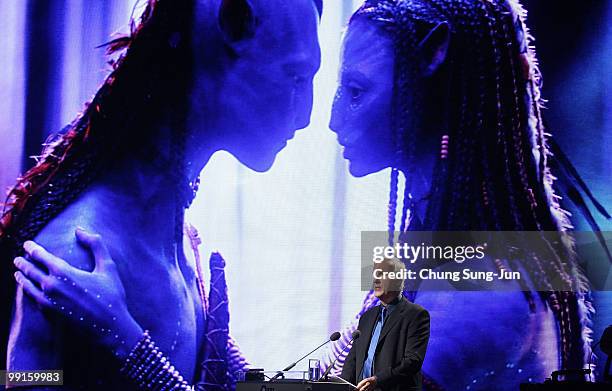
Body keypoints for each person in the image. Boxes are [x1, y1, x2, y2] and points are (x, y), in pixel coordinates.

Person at [12, 0, 605, 389]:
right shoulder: (449, 250)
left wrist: (130, 343)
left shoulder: (481, 295)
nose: (325, 121)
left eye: (354, 90)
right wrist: (221, 344)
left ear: (430, 82)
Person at [1, 0, 322, 389]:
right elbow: (19, 380)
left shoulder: (184, 241)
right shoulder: (73, 255)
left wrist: (131, 345)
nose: (305, 114)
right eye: (294, 77)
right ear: (232, 25)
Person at [340, 258, 430, 391]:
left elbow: (412, 362)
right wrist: (342, 385)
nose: (376, 280)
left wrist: (378, 380)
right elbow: (352, 359)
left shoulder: (416, 315)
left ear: (398, 279)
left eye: (381, 274)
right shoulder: (366, 317)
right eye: (375, 275)